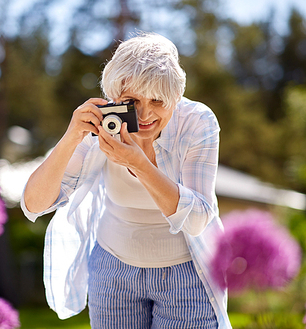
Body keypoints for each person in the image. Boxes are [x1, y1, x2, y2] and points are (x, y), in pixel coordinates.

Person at [21, 32, 231, 328]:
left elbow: (198, 219)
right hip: (113, 271)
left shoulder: (197, 122)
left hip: (186, 272)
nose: (145, 115)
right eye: (132, 101)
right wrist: (72, 137)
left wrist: (138, 163)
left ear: (175, 97)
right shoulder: (106, 124)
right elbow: (33, 204)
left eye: (158, 100)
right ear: (114, 97)